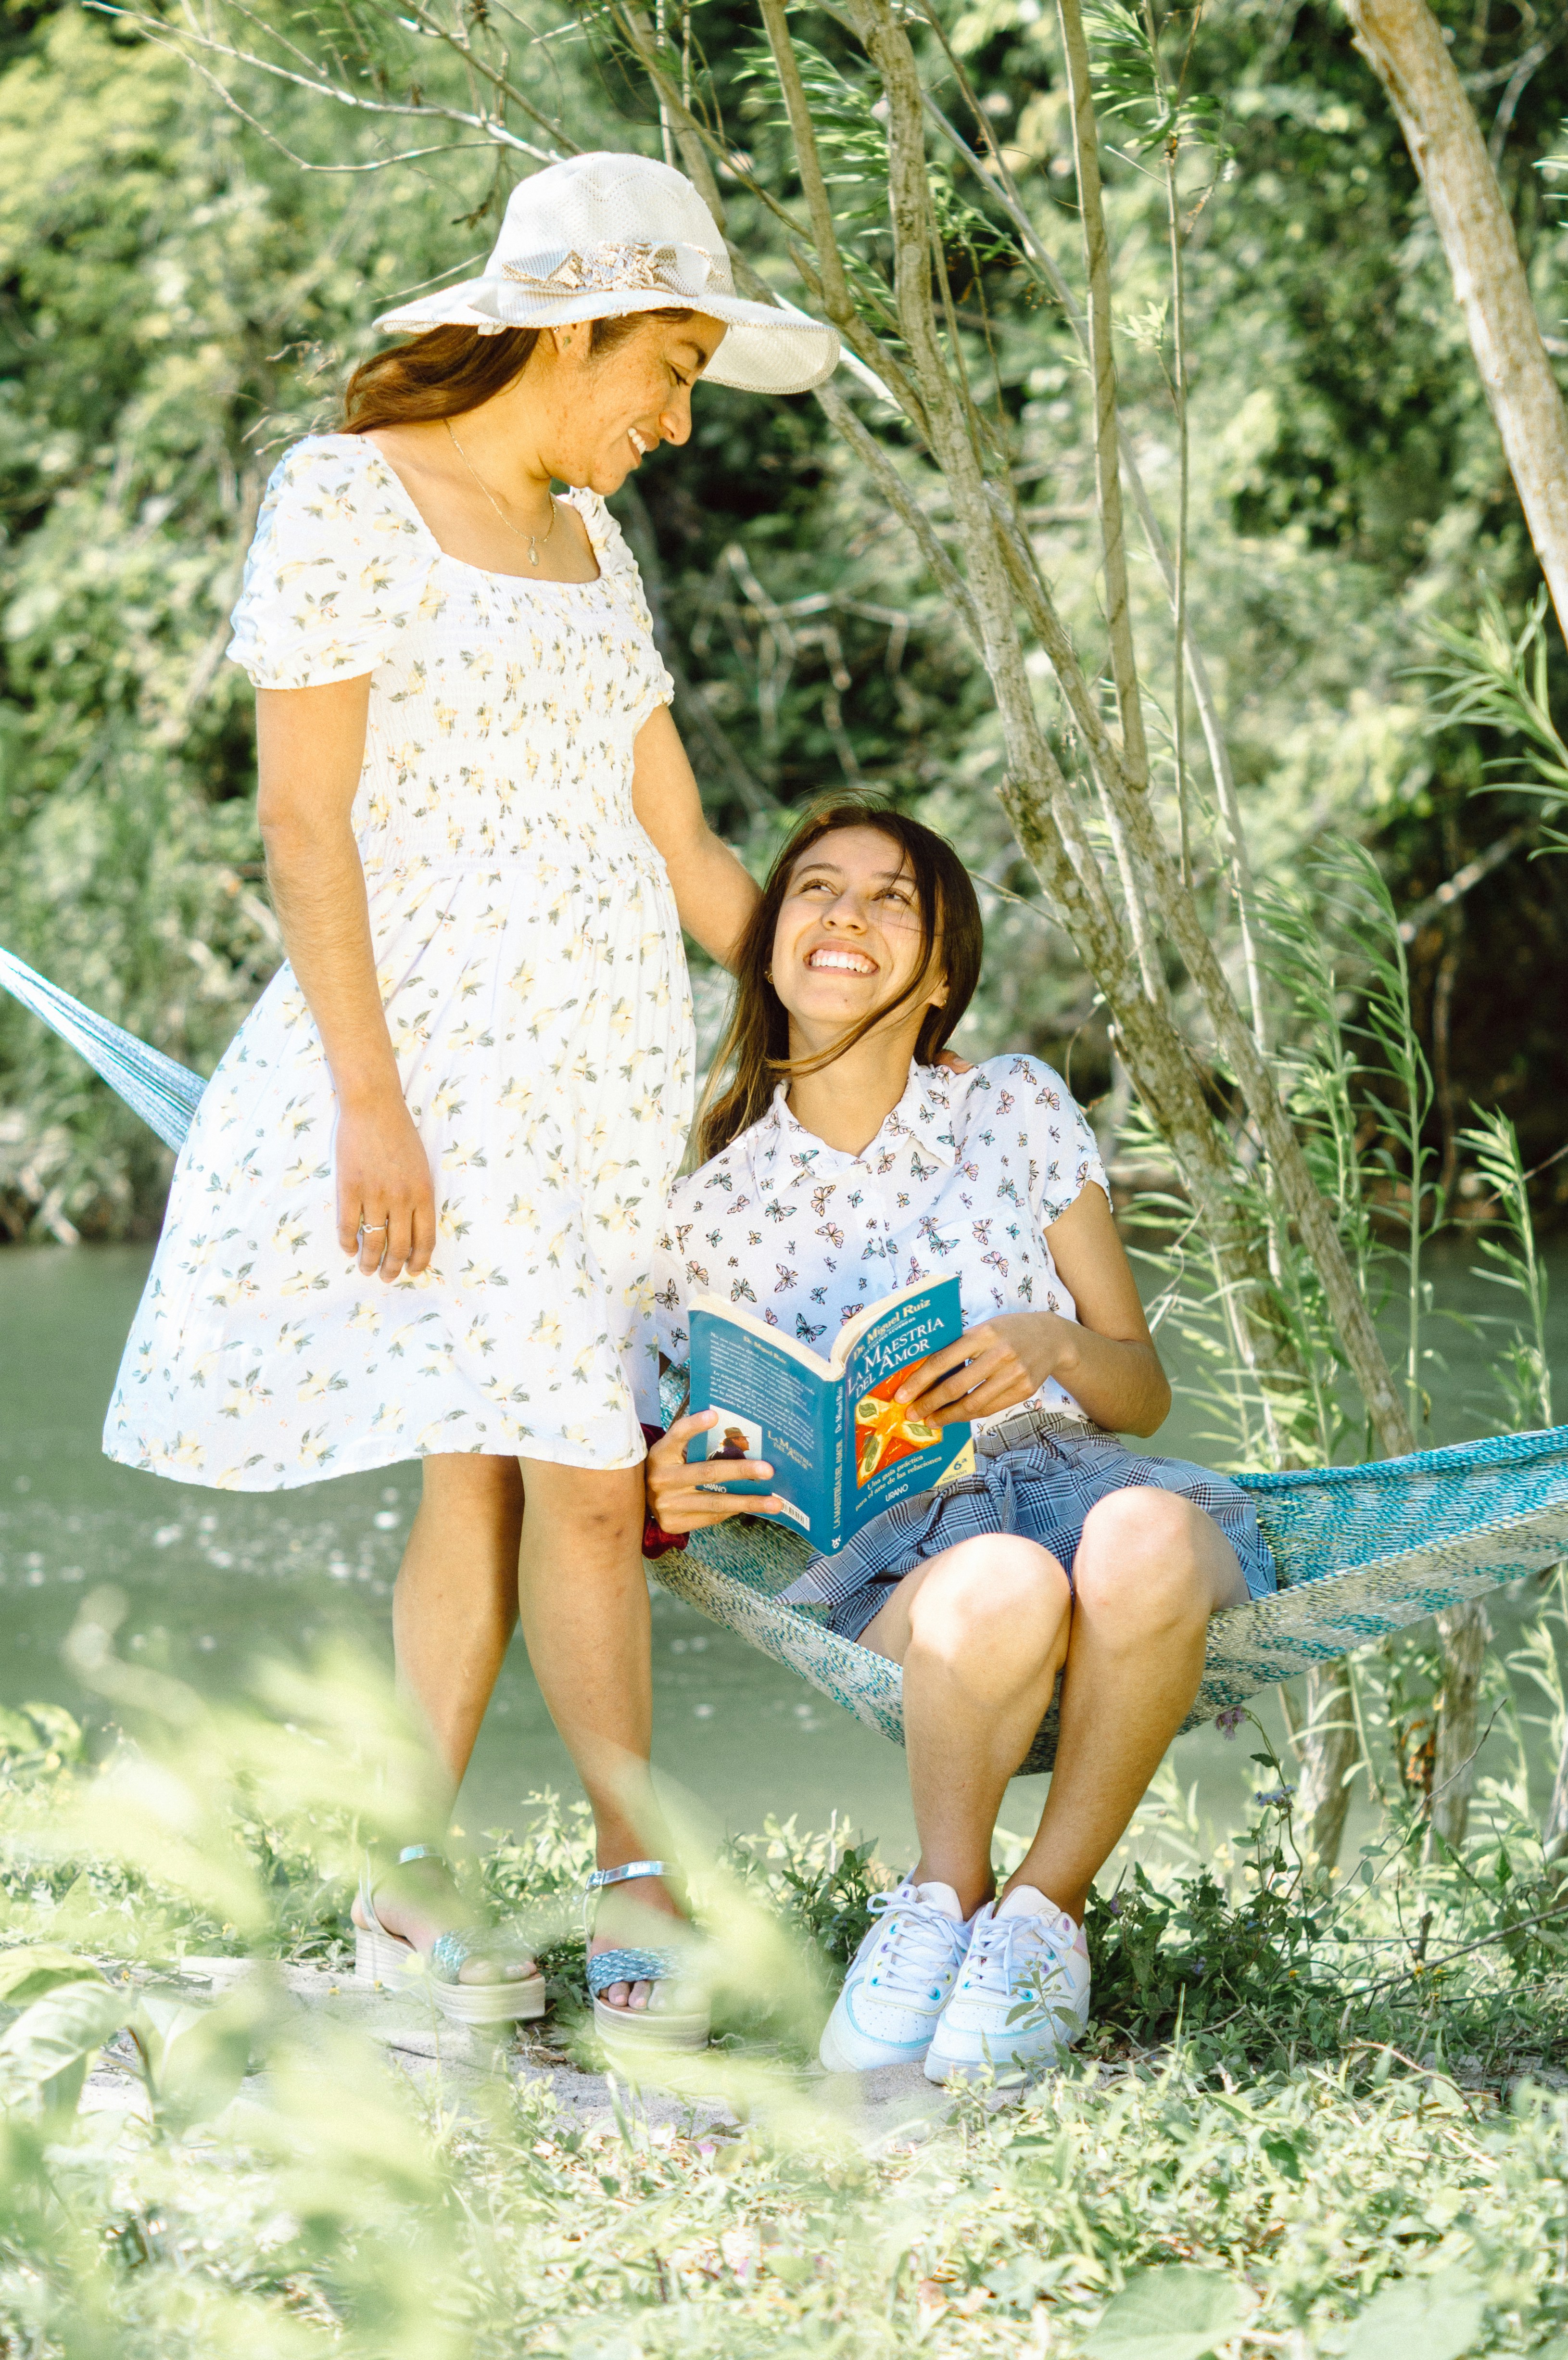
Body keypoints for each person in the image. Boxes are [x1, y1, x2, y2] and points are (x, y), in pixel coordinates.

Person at [101, 152, 837, 2037]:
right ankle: (592, 1885)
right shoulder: (346, 495)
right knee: (562, 1473)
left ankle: (472, 1890)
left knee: (537, 1481)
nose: (675, 421)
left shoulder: (592, 547)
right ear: (563, 328)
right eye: (662, 369)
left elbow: (674, 835)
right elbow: (302, 818)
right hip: (431, 1070)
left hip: (599, 1074)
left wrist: (831, 1019)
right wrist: (368, 1100)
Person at [643, 799, 1277, 2084]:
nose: (847, 913)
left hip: (1081, 1478)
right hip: (892, 1549)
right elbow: (633, 1445)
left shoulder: (1013, 1106)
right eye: (816, 888)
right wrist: (662, 1485)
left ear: (938, 972)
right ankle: (940, 1902)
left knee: (1147, 1532)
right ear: (770, 941)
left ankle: (1041, 1916)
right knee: (997, 1584)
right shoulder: (696, 1194)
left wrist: (1048, 1344)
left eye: (893, 899)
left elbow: (1138, 1387)